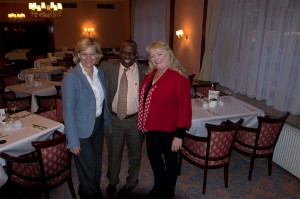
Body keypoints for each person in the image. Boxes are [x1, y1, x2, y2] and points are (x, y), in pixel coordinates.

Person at [137, 40, 192, 198]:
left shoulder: (179, 78)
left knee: (171, 162)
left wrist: (179, 136)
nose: (156, 58)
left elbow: (185, 108)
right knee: (154, 159)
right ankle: (158, 185)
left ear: (169, 55)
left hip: (170, 130)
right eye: (152, 55)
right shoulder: (150, 75)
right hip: (152, 126)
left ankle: (169, 191)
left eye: (159, 54)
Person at [62, 37, 109, 199]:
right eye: (84, 54)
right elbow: (68, 112)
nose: (88, 58)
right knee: (87, 168)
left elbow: (103, 101)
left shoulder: (99, 73)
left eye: (92, 54)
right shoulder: (71, 78)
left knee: (96, 165)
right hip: (80, 131)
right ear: (78, 55)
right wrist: (72, 141)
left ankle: (86, 192)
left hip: (97, 126)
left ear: (98, 55)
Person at [99, 40, 147, 197]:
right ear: (119, 53)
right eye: (124, 52)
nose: (128, 55)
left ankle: (132, 181)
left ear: (136, 54)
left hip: (135, 120)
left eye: (131, 52)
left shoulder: (144, 71)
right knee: (114, 153)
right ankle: (112, 181)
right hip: (114, 119)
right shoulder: (107, 67)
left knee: (135, 153)